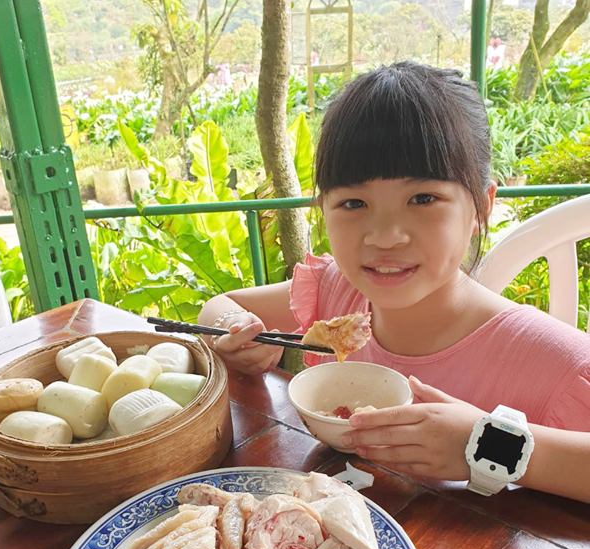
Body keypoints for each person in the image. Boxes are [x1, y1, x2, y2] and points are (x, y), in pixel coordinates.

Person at [199, 62, 590, 503]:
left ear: (481, 208)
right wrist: (236, 332)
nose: (384, 236)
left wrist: (485, 442)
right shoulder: (336, 292)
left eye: (423, 198)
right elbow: (221, 303)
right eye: (353, 202)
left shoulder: (554, 360)